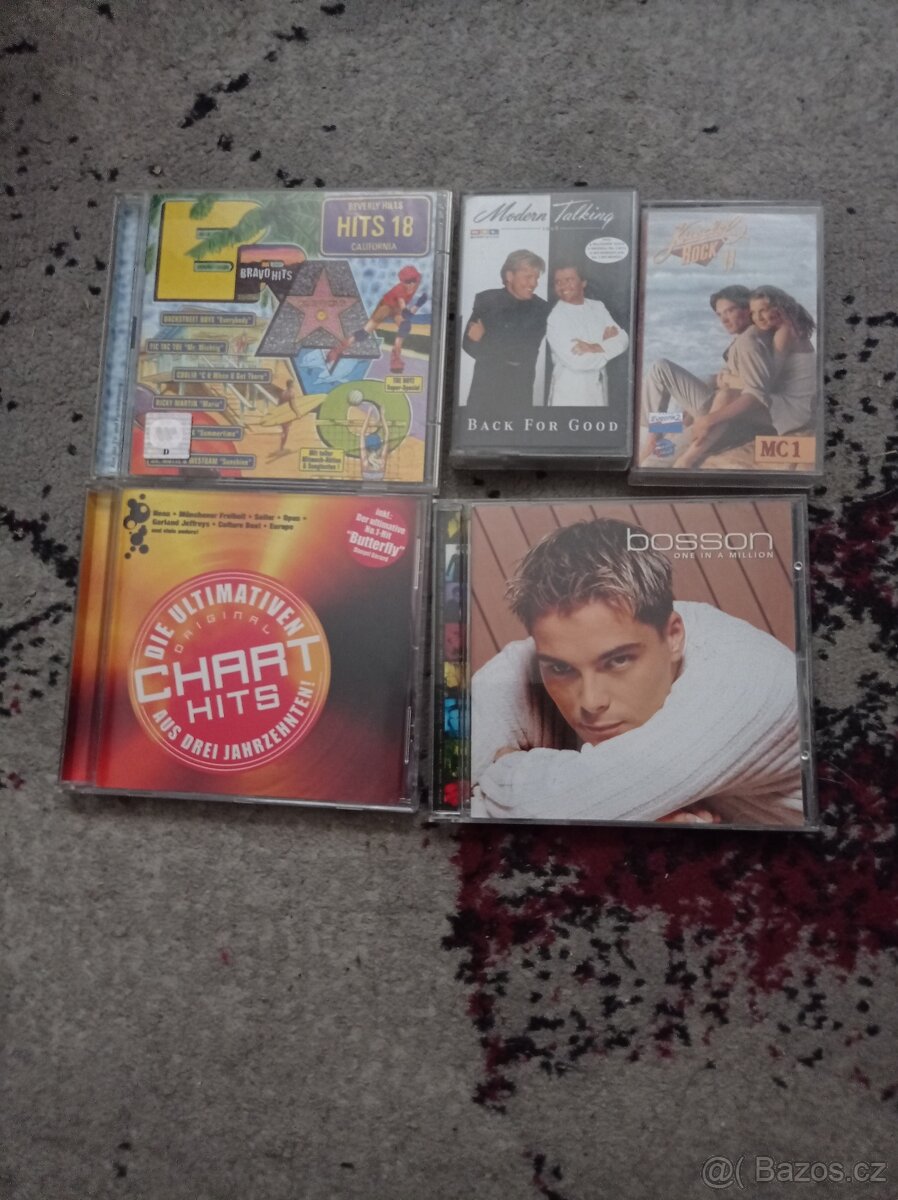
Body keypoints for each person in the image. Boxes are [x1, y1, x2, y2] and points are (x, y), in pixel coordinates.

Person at [471, 518, 804, 826]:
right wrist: (645, 815)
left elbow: (549, 808)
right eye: (561, 668)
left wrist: (506, 767)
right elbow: (449, 781)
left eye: (618, 661)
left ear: (673, 636)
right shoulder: (552, 650)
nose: (590, 702)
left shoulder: (746, 681)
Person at [640, 285, 777, 467]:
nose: (724, 320)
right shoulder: (749, 337)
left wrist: (709, 416)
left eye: (730, 311)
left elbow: (758, 391)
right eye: (720, 315)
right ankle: (662, 429)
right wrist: (721, 379)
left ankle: (653, 438)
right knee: (689, 402)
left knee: (660, 368)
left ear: (747, 309)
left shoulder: (749, 342)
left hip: (728, 415)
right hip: (724, 409)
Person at [462, 249, 549, 414]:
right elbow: (468, 345)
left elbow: (520, 354)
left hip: (518, 394)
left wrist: (484, 339)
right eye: (528, 277)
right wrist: (495, 345)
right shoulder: (486, 300)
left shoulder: (541, 309)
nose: (534, 283)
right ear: (509, 276)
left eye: (536, 278)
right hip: (483, 393)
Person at [545, 264, 629, 406]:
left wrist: (595, 347)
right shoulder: (556, 317)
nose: (563, 286)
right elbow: (578, 361)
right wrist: (608, 346)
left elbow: (623, 339)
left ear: (583, 282)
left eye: (569, 279)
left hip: (599, 390)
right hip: (571, 394)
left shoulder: (598, 306)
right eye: (558, 282)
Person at [326, 265, 428, 374]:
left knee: (405, 326)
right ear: (402, 282)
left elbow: (406, 315)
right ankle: (337, 350)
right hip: (385, 307)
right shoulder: (400, 291)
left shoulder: (418, 281)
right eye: (407, 282)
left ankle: (395, 357)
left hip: (397, 310)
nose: (411, 284)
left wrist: (419, 303)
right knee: (363, 333)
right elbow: (406, 313)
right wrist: (418, 304)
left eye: (413, 280)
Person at [748, 285, 817, 437]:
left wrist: (730, 379)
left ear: (778, 308)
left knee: (728, 399)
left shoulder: (783, 333)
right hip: (799, 408)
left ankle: (694, 440)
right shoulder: (793, 328)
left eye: (763, 310)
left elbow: (768, 381)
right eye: (753, 312)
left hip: (790, 411)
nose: (757, 317)